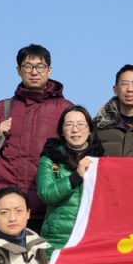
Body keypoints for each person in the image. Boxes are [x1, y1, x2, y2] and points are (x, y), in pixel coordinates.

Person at [0, 45, 72, 230]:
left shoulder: (65, 109)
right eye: (28, 66)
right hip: (6, 206)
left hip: (47, 208)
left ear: (49, 70)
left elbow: (78, 152)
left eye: (40, 66)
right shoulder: (4, 107)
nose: (34, 72)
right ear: (19, 70)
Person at [37, 107, 103, 251]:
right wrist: (75, 177)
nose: (75, 129)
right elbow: (46, 194)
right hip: (57, 238)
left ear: (90, 129)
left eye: (80, 124)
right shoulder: (50, 158)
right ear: (62, 130)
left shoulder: (101, 160)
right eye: (69, 125)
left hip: (91, 237)